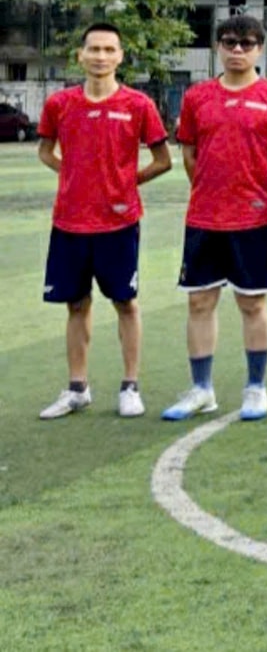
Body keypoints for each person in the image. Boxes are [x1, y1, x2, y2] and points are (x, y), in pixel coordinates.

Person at [163, 15, 267, 423]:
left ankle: (256, 387)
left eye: (247, 43)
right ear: (217, 47)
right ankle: (202, 389)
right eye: (229, 42)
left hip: (254, 221)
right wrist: (210, 189)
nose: (237, 50)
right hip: (204, 218)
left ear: (260, 48)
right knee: (200, 301)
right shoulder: (197, 97)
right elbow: (189, 153)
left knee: (252, 304)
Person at [37, 22, 171, 419]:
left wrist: (126, 183)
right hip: (70, 222)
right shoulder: (60, 104)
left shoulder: (138, 105)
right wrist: (71, 175)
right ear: (80, 55)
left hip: (119, 221)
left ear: (120, 57)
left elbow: (163, 160)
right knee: (76, 304)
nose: (100, 56)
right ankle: (77, 387)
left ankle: (130, 386)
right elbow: (45, 151)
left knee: (125, 302)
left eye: (108, 50)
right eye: (93, 49)